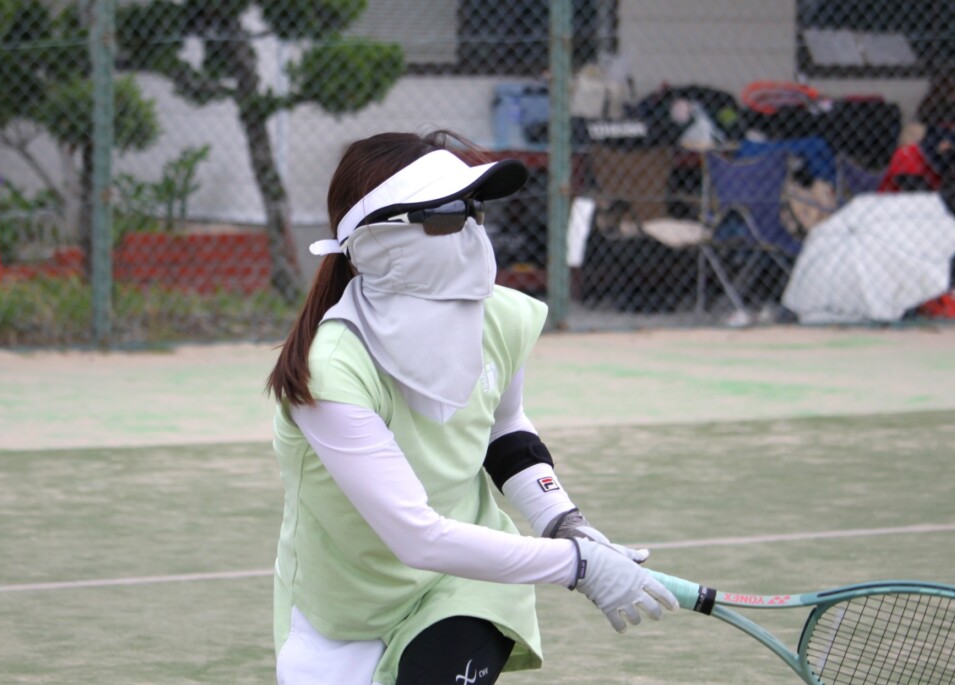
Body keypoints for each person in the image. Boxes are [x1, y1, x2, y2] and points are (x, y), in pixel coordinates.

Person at [265, 129, 677, 685]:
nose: (471, 229)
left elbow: (503, 426)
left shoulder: (501, 315)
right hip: (343, 607)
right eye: (444, 215)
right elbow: (416, 537)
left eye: (475, 210)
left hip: (467, 582)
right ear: (374, 241)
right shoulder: (332, 367)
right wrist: (578, 565)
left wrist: (562, 519)